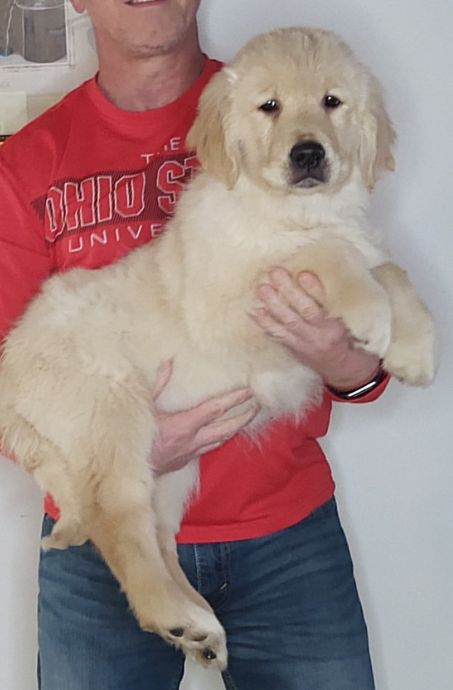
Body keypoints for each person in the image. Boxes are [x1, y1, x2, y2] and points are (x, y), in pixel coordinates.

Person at [0, 1, 389, 688]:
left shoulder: (284, 102)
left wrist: (349, 361)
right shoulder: (26, 162)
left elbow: (363, 336)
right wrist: (124, 455)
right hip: (99, 547)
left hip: (286, 536)